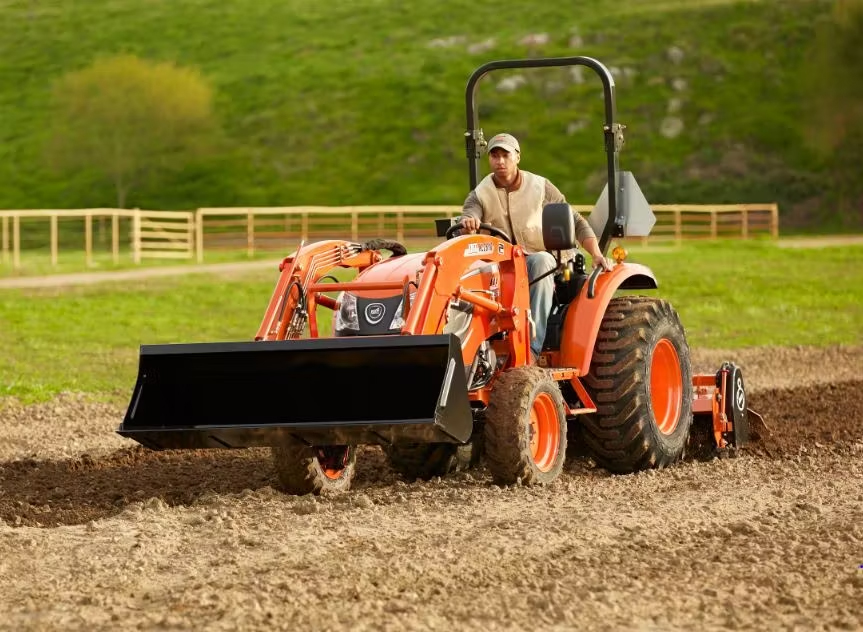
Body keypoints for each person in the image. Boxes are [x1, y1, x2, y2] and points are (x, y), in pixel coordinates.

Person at [458, 132, 611, 362]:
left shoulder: (540, 187)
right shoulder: (480, 193)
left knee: (541, 261)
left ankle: (531, 350)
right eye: (495, 156)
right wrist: (469, 223)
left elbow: (576, 221)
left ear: (517, 157)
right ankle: (471, 354)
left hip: (546, 262)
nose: (500, 161)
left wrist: (596, 254)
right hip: (504, 265)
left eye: (505, 155)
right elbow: (470, 214)